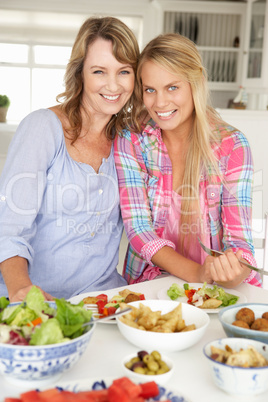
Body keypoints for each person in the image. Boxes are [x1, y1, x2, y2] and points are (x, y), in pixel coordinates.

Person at [0, 16, 140, 302]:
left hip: (103, 301)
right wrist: (22, 291)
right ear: (80, 73)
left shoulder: (130, 141)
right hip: (32, 299)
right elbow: (10, 228)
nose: (113, 85)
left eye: (124, 71)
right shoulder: (42, 127)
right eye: (99, 71)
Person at [114, 33, 262, 288]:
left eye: (173, 87)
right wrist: (197, 273)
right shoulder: (133, 140)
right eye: (150, 89)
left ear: (197, 83)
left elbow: (239, 241)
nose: (160, 102)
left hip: (216, 289)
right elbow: (139, 230)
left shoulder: (233, 146)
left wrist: (234, 271)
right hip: (150, 282)